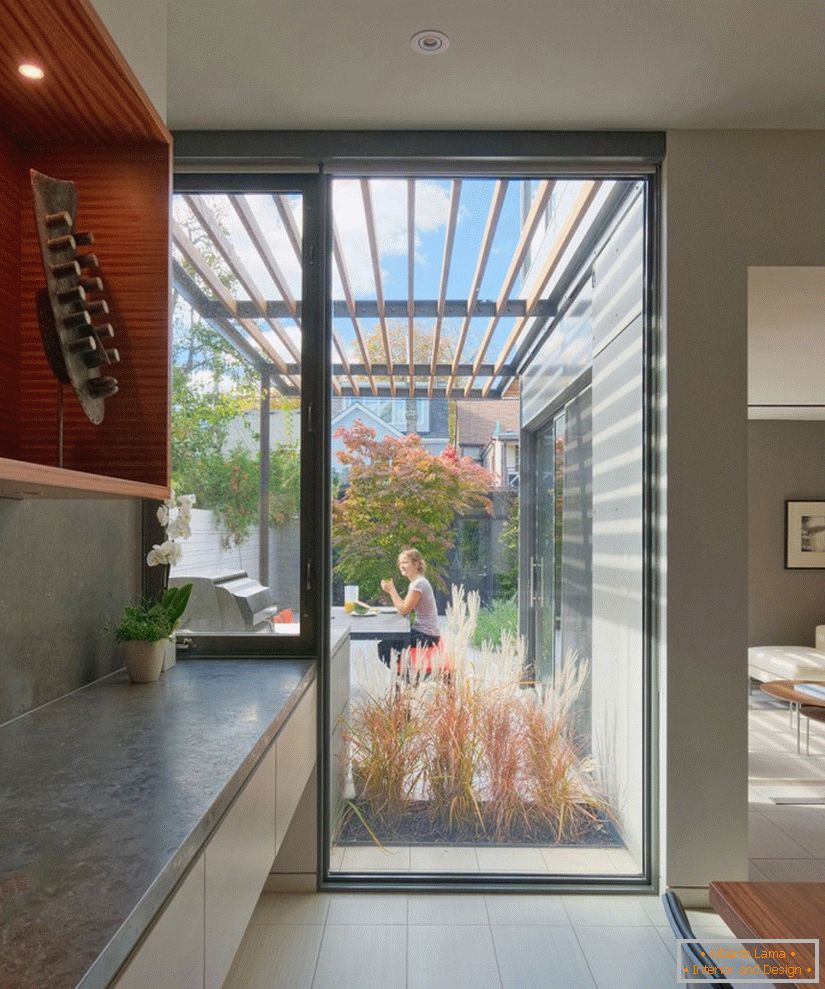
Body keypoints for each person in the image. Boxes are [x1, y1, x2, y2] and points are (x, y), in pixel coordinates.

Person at [377, 547, 440, 668]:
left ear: (416, 564)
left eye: (405, 562)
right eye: (400, 563)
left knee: (384, 647)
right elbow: (403, 607)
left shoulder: (419, 583)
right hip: (424, 632)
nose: (401, 565)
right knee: (388, 643)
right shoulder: (415, 583)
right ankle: (405, 676)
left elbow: (404, 610)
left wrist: (391, 590)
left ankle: (405, 678)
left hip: (427, 636)